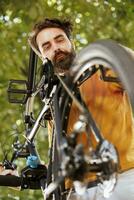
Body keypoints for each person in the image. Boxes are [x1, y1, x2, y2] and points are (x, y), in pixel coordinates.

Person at [28, 18, 134, 199]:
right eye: (46, 46)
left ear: (72, 42)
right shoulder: (53, 101)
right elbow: (63, 154)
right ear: (42, 57)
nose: (55, 48)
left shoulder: (102, 69)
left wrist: (118, 53)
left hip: (124, 177)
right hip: (77, 191)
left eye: (59, 40)